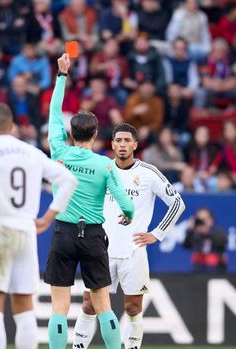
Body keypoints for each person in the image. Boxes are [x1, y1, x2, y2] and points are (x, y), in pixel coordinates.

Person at [0, 103, 78, 349]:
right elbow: (68, 180)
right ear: (11, 126)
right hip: (25, 230)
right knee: (24, 306)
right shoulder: (30, 152)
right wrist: (47, 217)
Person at [45, 53, 134, 349]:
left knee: (59, 306)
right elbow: (125, 202)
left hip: (63, 232)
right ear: (96, 135)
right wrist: (128, 215)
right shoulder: (105, 164)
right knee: (103, 304)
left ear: (70, 133)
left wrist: (62, 76)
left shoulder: (59, 150)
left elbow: (54, 112)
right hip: (94, 234)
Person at [72, 123, 185, 349]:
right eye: (118, 141)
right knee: (89, 305)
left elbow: (177, 203)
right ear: (112, 144)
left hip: (133, 252)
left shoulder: (148, 173)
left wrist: (156, 234)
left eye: (127, 141)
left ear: (135, 144)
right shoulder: (102, 168)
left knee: (133, 308)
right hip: (100, 249)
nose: (122, 145)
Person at [183, 208, 227, 272]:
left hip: (216, 268)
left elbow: (221, 245)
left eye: (204, 220)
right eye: (199, 220)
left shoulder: (218, 232)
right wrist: (190, 230)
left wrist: (207, 232)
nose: (201, 223)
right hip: (198, 268)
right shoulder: (195, 233)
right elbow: (186, 245)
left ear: (211, 220)